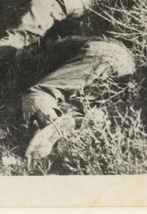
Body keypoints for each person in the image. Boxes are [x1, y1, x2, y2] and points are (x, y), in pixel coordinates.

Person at [21, 35, 136, 167]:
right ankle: (77, 129)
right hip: (127, 69)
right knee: (78, 107)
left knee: (38, 92)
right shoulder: (92, 38)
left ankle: (50, 122)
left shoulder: (62, 42)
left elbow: (55, 82)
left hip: (104, 55)